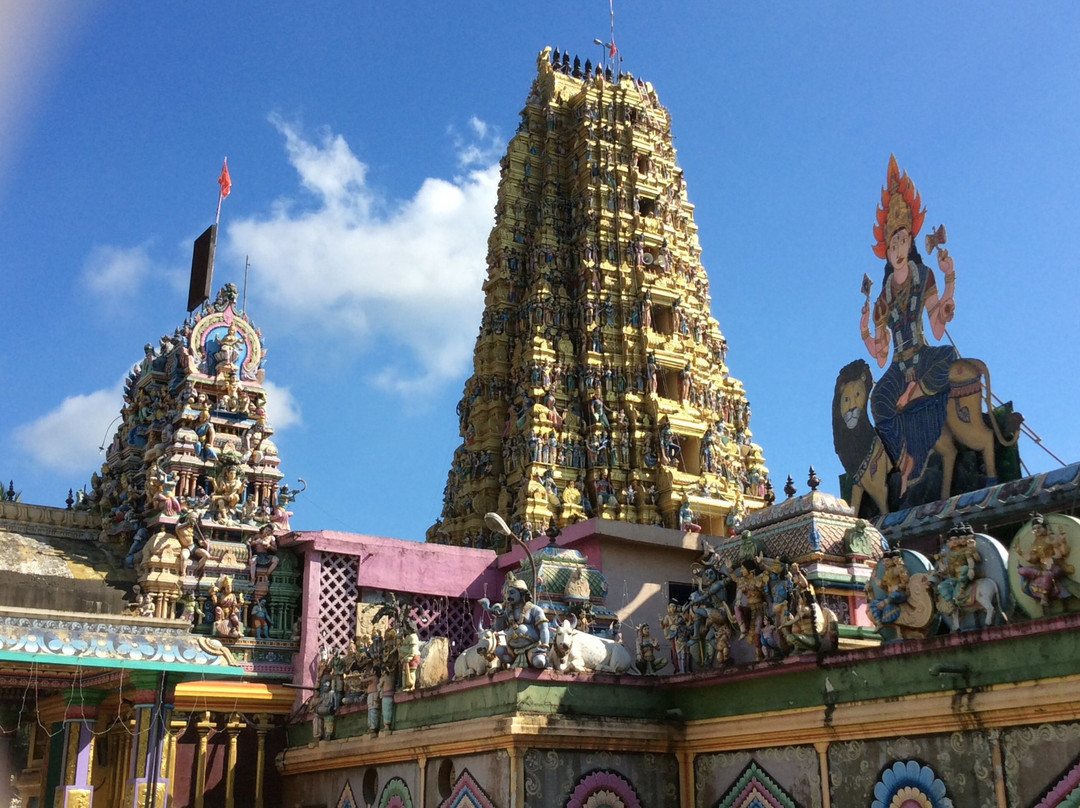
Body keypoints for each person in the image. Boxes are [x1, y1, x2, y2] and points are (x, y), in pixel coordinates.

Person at [860, 156, 957, 496]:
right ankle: (905, 460)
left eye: (903, 241)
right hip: (900, 367)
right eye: (892, 244)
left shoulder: (923, 276)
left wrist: (949, 281)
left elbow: (937, 328)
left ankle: (917, 392)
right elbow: (883, 357)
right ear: (886, 252)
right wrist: (867, 333)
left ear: (911, 242)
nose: (898, 249)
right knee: (876, 402)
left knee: (950, 358)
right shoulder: (884, 295)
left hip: (923, 356)